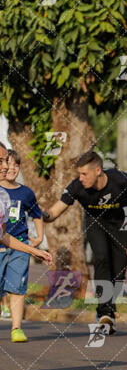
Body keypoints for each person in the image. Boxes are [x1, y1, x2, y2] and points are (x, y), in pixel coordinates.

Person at [42, 150, 127, 334]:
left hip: (123, 223)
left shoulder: (119, 179)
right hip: (96, 223)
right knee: (102, 259)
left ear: (98, 170)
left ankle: (107, 310)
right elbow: (54, 212)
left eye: (84, 174)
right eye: (79, 174)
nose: (80, 178)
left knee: (118, 273)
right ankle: (105, 315)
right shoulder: (77, 187)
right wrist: (40, 214)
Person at [0, 143, 52, 342]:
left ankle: (16, 327)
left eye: (12, 164)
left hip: (18, 243)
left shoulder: (23, 193)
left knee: (17, 286)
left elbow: (36, 215)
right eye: (4, 162)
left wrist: (36, 245)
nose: (8, 168)